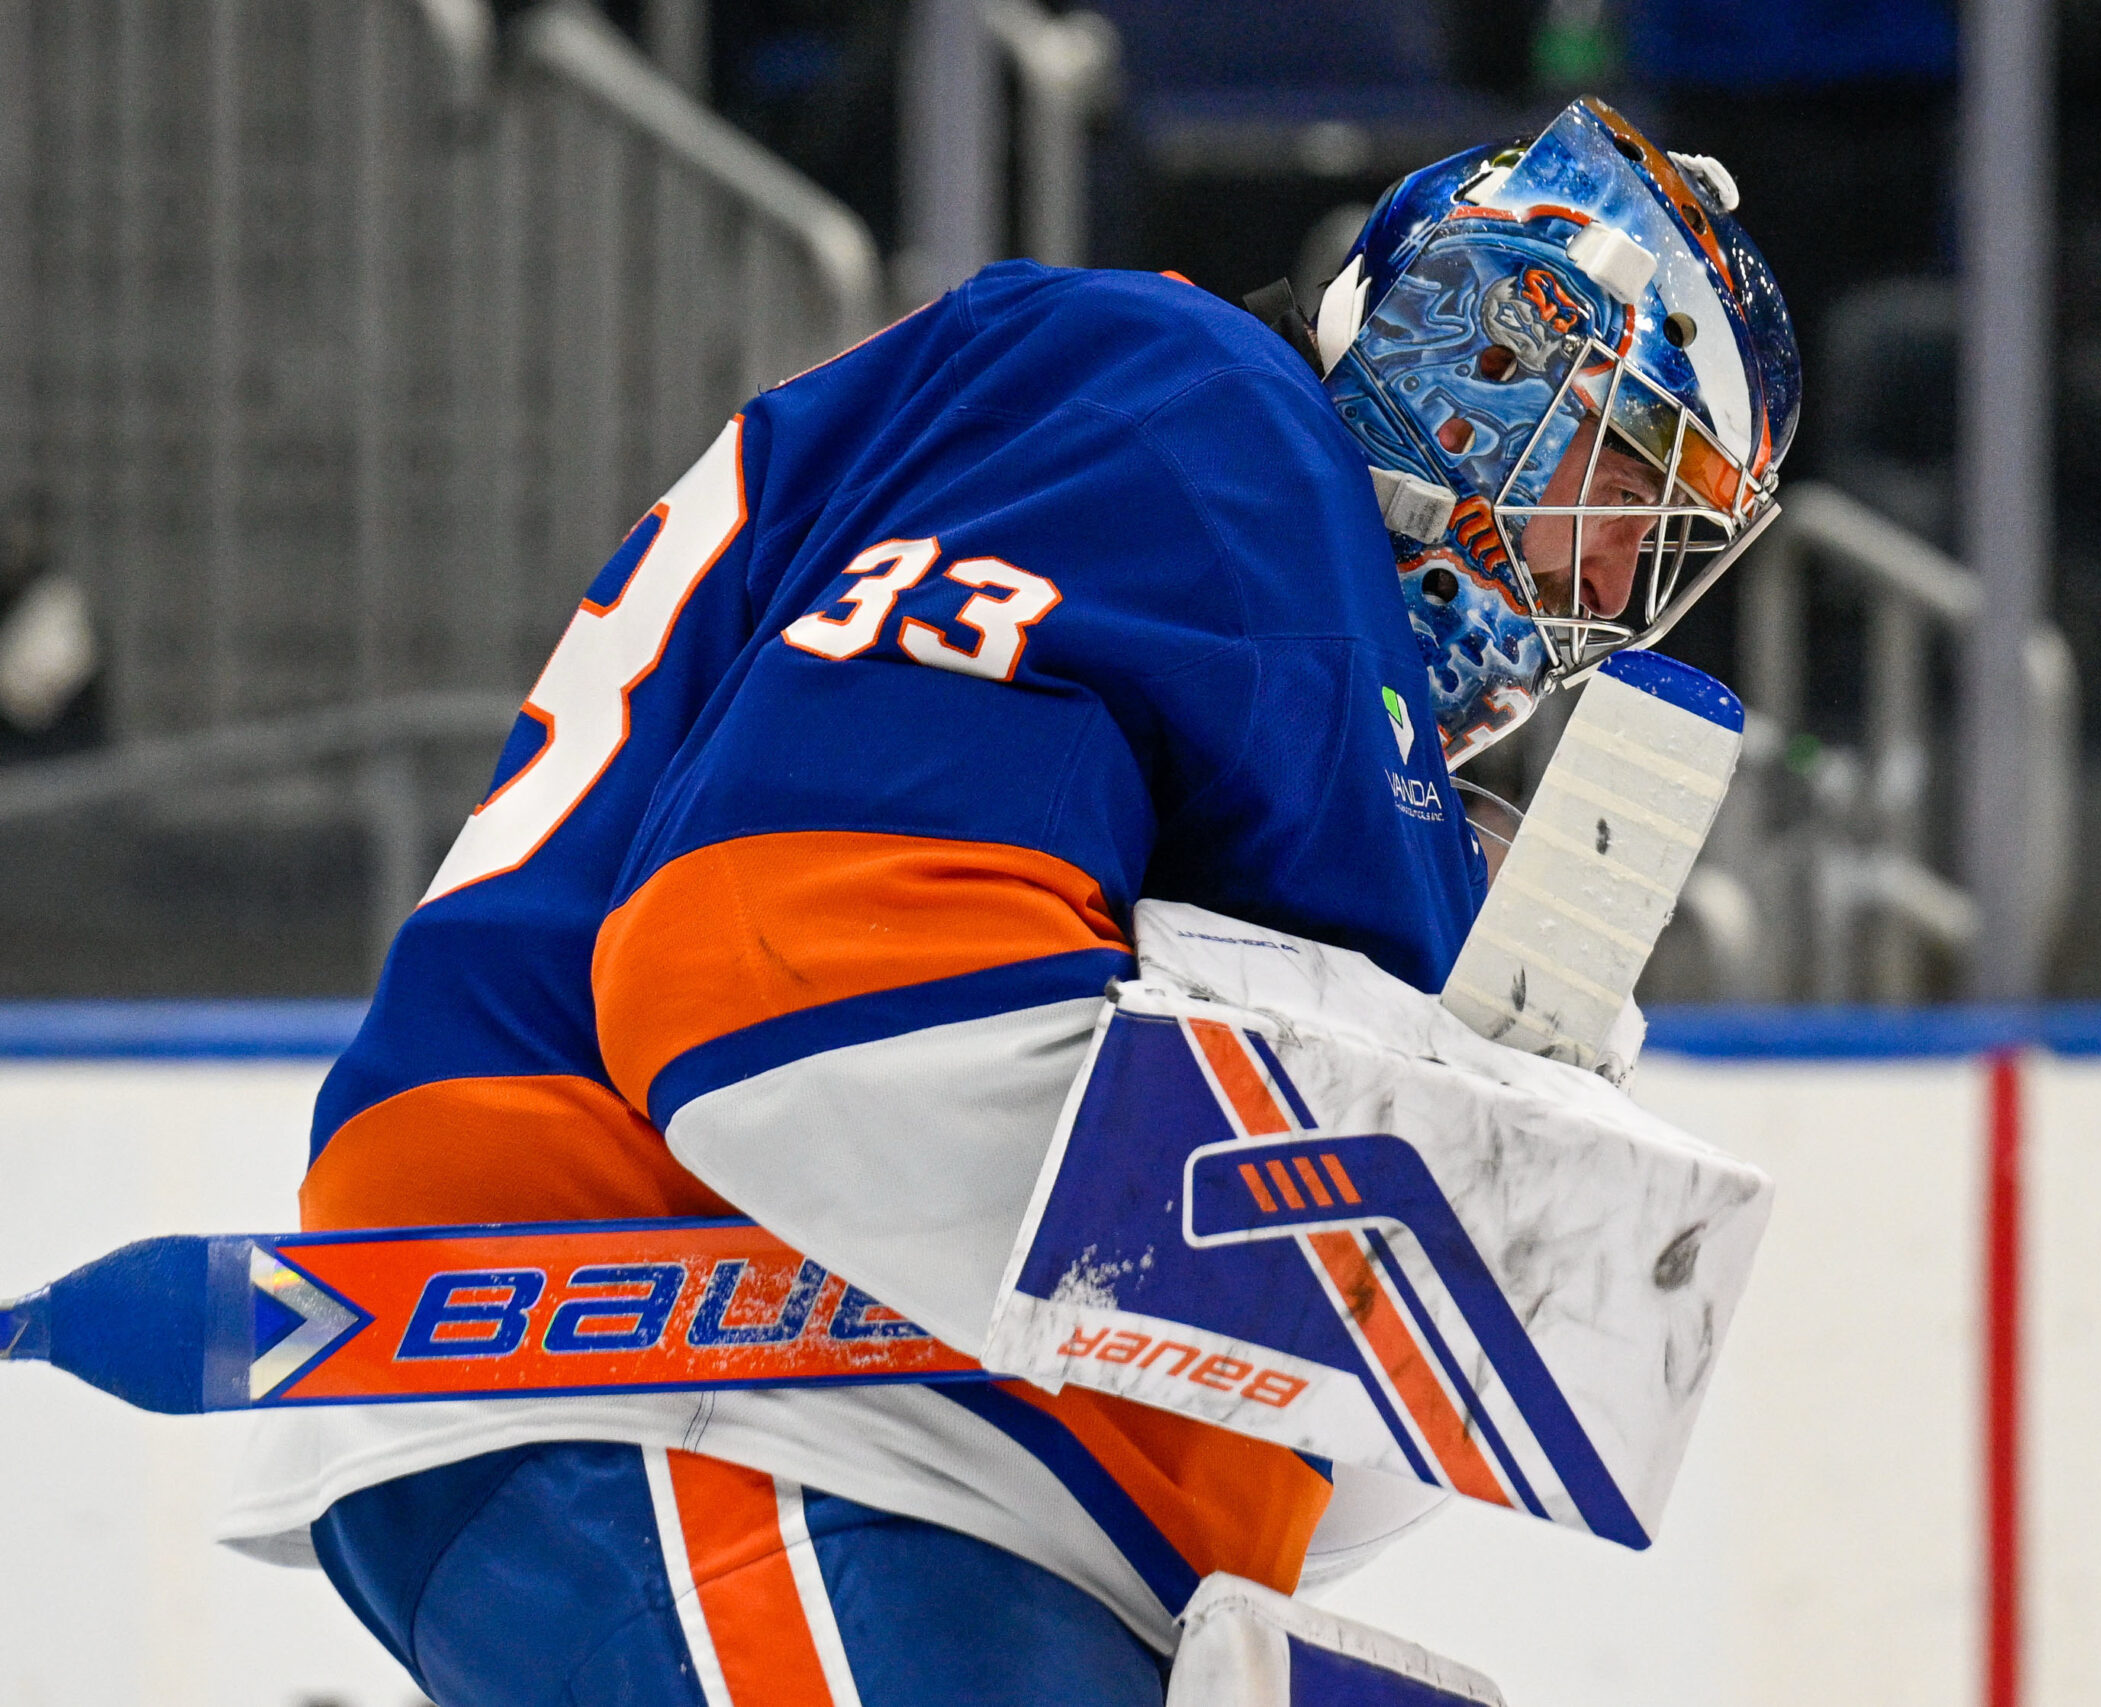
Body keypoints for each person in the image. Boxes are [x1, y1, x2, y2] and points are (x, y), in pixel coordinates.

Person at [212, 98, 1795, 1707]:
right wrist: (1422, 1199)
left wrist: (1487, 1163)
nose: (1611, 587)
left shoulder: (1347, 708)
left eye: (1663, 550)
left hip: (955, 1495)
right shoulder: (1190, 407)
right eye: (1619, 475)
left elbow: (1304, 1477)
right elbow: (774, 1002)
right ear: (1489, 357)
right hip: (697, 1398)